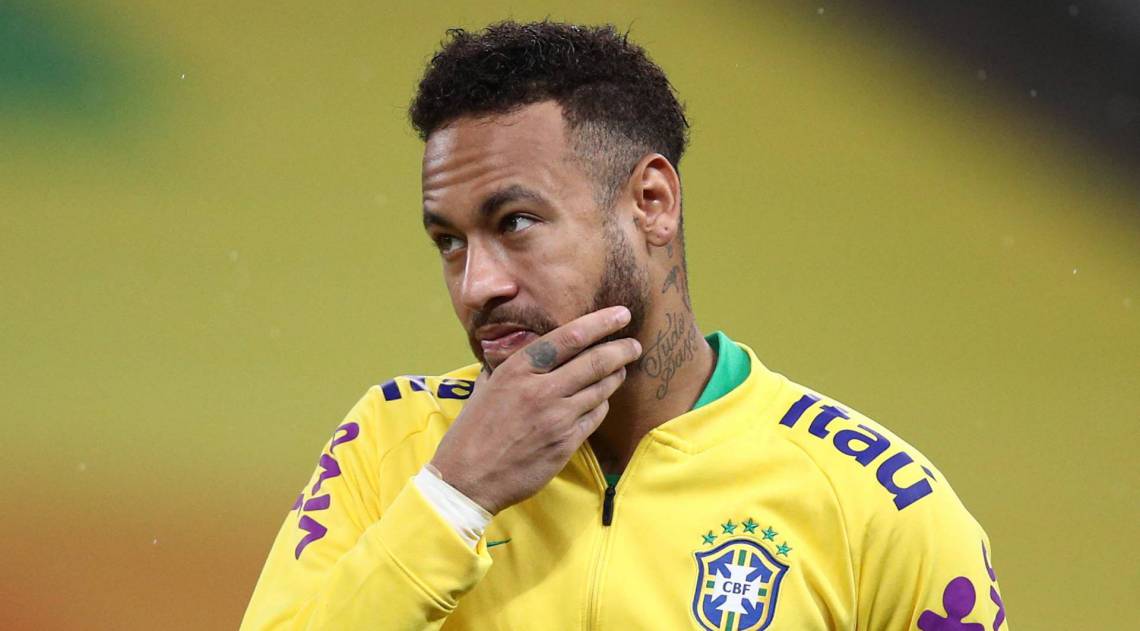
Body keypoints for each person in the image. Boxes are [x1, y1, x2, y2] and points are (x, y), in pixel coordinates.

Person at [240, 21, 1008, 630]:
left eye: (515, 221)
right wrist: (455, 498)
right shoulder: (395, 448)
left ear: (651, 202)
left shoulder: (880, 505)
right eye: (449, 240)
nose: (477, 285)